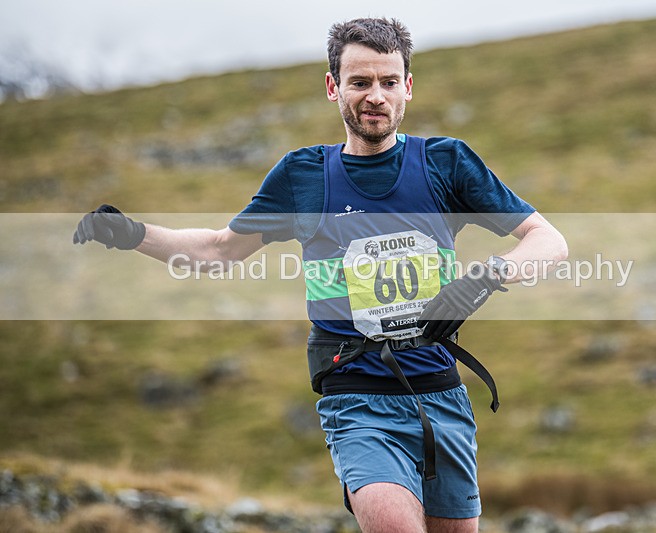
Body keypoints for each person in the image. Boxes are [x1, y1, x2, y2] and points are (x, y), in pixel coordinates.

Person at [74, 17, 568, 533]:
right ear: (334, 88)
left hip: (442, 394)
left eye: (388, 82)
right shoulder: (302, 176)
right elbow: (220, 250)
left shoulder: (446, 163)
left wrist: (484, 278)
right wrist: (132, 234)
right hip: (357, 398)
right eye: (359, 82)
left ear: (408, 88)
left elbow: (549, 240)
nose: (374, 96)